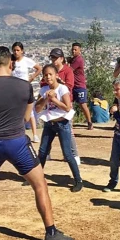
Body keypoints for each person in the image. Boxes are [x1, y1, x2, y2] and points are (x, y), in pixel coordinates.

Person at [0, 46, 74, 240]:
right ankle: (50, 233)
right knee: (40, 185)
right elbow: (26, 117)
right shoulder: (24, 86)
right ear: (10, 63)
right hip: (17, 142)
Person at [35, 64, 83, 193]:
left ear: (56, 75)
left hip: (63, 124)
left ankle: (78, 180)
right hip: (49, 123)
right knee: (43, 151)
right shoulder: (43, 90)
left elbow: (67, 107)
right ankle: (37, 178)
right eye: (45, 75)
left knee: (67, 153)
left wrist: (54, 99)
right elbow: (37, 108)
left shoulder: (62, 89)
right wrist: (46, 98)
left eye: (50, 74)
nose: (48, 77)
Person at [49, 48, 81, 163]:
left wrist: (59, 82)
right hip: (52, 103)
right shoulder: (50, 71)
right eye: (52, 58)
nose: (53, 60)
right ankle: (47, 152)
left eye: (55, 58)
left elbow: (70, 86)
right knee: (49, 129)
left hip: (65, 103)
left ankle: (74, 154)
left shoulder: (67, 71)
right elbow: (44, 83)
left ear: (61, 59)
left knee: (68, 130)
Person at [11, 42, 42, 144]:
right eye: (14, 50)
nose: (16, 52)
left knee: (30, 111)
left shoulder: (26, 61)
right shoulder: (11, 61)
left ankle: (34, 134)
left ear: (22, 51)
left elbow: (39, 68)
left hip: (25, 88)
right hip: (14, 89)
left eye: (18, 50)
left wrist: (32, 77)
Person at [70, 43, 94, 130]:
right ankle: (70, 123)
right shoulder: (74, 59)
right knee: (70, 104)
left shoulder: (78, 60)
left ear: (80, 50)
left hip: (80, 85)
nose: (73, 51)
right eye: (72, 49)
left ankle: (89, 122)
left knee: (83, 104)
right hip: (73, 85)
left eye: (75, 49)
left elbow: (70, 70)